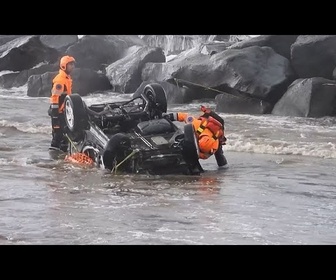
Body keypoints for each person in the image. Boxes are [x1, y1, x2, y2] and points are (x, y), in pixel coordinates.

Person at [163, 105, 228, 167]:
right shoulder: (196, 124)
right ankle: (224, 166)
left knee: (219, 154)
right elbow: (184, 116)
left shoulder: (215, 146)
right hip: (207, 124)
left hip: (216, 133)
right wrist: (170, 116)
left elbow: (204, 156)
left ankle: (224, 167)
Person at [48, 55, 76, 152]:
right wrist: (55, 114)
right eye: (70, 65)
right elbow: (55, 97)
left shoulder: (67, 78)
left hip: (64, 111)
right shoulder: (60, 80)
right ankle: (53, 158)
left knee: (65, 136)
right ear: (64, 66)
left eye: (73, 64)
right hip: (58, 112)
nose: (72, 66)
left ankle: (62, 157)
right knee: (57, 136)